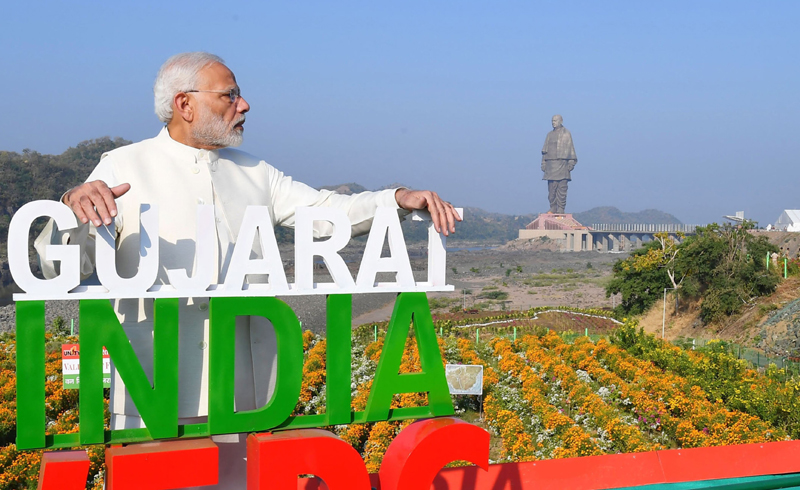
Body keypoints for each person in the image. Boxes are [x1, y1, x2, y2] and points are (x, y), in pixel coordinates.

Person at [35, 52, 460, 489]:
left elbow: (330, 211)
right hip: (154, 392)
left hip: (250, 398)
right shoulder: (123, 167)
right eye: (230, 95)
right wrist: (73, 208)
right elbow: (57, 264)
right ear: (185, 105)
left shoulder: (257, 172)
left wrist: (397, 198)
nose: (245, 105)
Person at [540, 114, 577, 214]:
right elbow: (544, 151)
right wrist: (543, 163)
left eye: (555, 120)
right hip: (550, 165)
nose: (553, 122)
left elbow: (571, 149)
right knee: (551, 190)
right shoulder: (549, 135)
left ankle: (561, 208)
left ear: (561, 121)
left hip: (562, 164)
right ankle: (553, 207)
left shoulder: (566, 134)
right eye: (552, 121)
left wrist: (571, 163)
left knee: (562, 188)